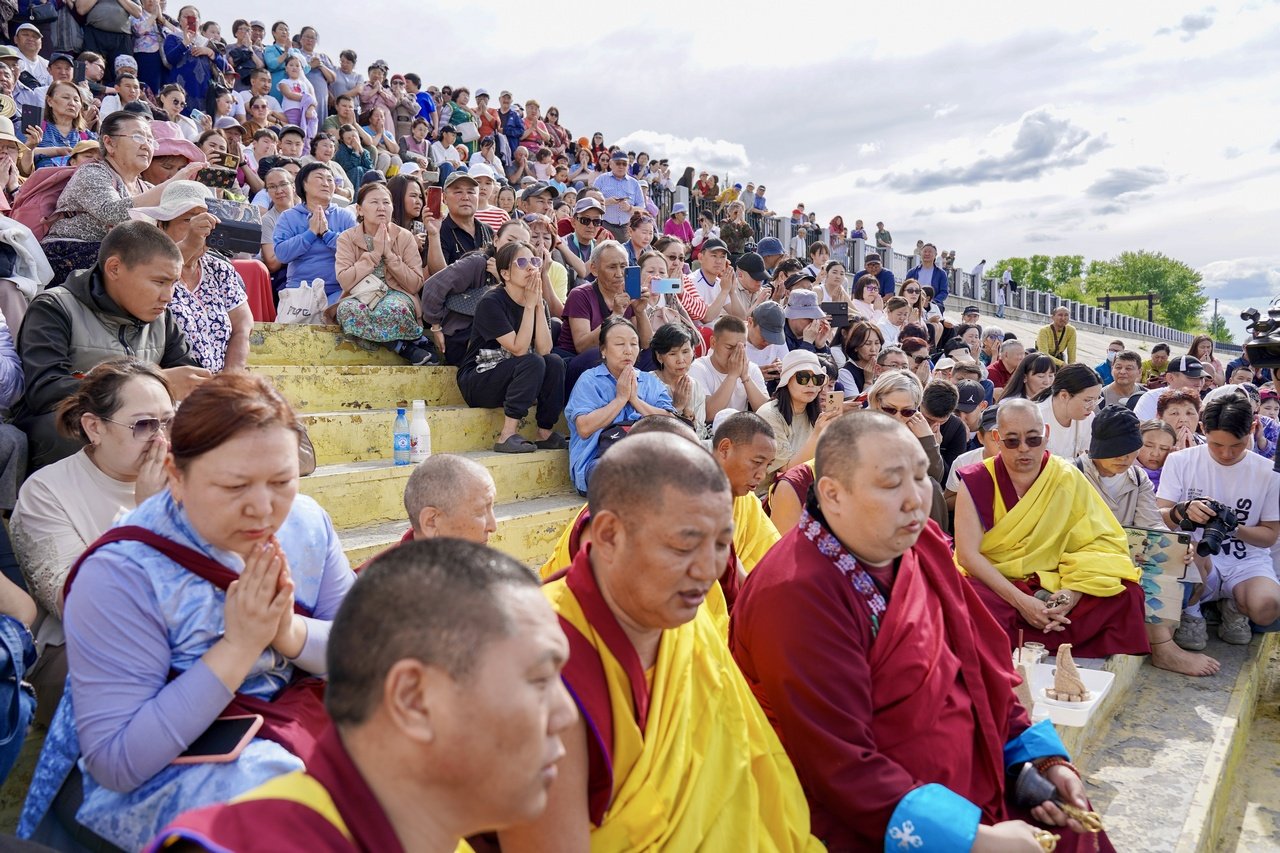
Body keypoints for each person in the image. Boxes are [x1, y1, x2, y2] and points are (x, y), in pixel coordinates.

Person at [732, 411, 1109, 852]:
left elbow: (981, 667)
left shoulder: (920, 542)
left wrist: (1039, 760)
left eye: (920, 477)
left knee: (1074, 830)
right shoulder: (796, 593)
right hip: (875, 808)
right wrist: (976, 840)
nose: (916, 499)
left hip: (976, 765)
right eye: (892, 484)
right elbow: (837, 763)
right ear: (833, 494)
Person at [20, 373, 356, 850]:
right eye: (235, 486)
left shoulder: (307, 522)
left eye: (282, 481)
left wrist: (289, 632)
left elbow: (365, 650)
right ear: (176, 476)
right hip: (172, 770)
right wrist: (238, 648)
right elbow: (117, 762)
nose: (263, 509)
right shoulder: (122, 572)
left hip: (297, 723)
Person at [151, 538, 576, 852]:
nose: (567, 714)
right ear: (414, 699)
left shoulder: (444, 837)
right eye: (540, 681)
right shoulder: (256, 844)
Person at [499, 435, 819, 852]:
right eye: (684, 545)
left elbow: (752, 778)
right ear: (609, 535)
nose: (707, 571)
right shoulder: (540, 664)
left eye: (721, 544)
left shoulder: (688, 623)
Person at [11, 359, 172, 723]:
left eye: (169, 421)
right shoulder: (47, 491)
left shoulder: (186, 475)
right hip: (79, 650)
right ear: (94, 427)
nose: (161, 439)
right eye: (144, 425)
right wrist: (148, 519)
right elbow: (81, 607)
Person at [954, 399, 1150, 658]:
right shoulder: (977, 479)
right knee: (963, 599)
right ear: (997, 438)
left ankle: (1042, 626)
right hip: (999, 583)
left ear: (1046, 434)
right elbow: (968, 556)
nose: (1024, 449)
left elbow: (1099, 542)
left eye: (1033, 439)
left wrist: (1074, 593)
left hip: (1055, 578)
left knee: (1127, 594)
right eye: (1012, 441)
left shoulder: (1066, 476)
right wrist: (1022, 602)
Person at [15, 221, 211, 470]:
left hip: (144, 426)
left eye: (173, 283)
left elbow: (187, 380)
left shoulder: (162, 318)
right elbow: (45, 391)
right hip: (75, 434)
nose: (168, 296)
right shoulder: (55, 307)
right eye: (159, 282)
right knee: (70, 431)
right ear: (114, 268)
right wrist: (152, 384)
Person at [1077, 406, 1221, 676]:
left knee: (1181, 561)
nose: (1124, 457)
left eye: (1130, 450)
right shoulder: (1073, 473)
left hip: (1127, 552)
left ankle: (1165, 638)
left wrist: (1174, 543)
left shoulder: (1137, 476)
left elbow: (1151, 523)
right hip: (1085, 555)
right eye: (1116, 450)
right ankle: (1163, 649)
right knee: (1142, 574)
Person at [1158, 392, 1280, 646]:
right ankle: (1193, 614)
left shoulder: (1269, 472)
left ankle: (1233, 606)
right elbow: (1160, 520)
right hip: (1195, 557)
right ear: (1203, 429)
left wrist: (1233, 527)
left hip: (1246, 561)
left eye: (1236, 445)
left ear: (1252, 429)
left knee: (1267, 609)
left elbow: (1269, 536)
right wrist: (1182, 510)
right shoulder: (1180, 461)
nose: (1226, 454)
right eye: (1216, 445)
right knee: (1192, 551)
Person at [131, 181, 252, 374]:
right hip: (165, 380)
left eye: (207, 219)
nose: (200, 227)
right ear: (161, 227)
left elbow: (243, 326)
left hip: (219, 383)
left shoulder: (219, 268)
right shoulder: (146, 266)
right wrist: (189, 244)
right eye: (187, 220)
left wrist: (230, 376)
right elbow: (160, 271)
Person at [457, 240, 566, 454]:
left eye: (534, 261)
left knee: (555, 362)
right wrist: (530, 306)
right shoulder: (491, 302)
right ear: (505, 274)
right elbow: (519, 349)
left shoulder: (537, 301)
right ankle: (507, 435)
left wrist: (537, 305)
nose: (531, 267)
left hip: (514, 374)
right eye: (522, 263)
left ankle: (544, 432)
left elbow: (545, 350)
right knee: (532, 361)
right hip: (480, 379)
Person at [565, 317, 673, 494]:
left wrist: (635, 400)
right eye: (620, 344)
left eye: (634, 344)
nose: (628, 350)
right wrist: (620, 399)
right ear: (603, 350)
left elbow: (671, 424)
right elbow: (584, 428)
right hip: (598, 461)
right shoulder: (590, 380)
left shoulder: (649, 381)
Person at [334, 181, 432, 364]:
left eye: (386, 202)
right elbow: (345, 281)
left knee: (392, 309)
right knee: (346, 310)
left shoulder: (404, 236)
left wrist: (388, 254)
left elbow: (415, 283)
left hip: (396, 293)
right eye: (374, 202)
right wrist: (374, 255)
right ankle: (404, 346)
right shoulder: (346, 238)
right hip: (362, 295)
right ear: (359, 210)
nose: (381, 207)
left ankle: (406, 343)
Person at [756, 349, 840, 495]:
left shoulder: (816, 414)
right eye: (803, 378)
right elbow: (787, 472)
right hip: (768, 495)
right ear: (787, 380)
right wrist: (817, 434)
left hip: (808, 490)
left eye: (817, 379)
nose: (811, 384)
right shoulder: (769, 414)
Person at [273, 161, 358, 303]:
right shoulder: (289, 216)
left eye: (330, 179)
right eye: (319, 178)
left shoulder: (345, 216)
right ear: (304, 185)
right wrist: (310, 233)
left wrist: (327, 234)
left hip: (339, 289)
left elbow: (356, 250)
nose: (326, 183)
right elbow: (282, 254)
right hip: (301, 288)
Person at [690, 314, 769, 421]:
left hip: (741, 428)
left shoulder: (751, 369)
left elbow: (767, 414)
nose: (735, 353)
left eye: (742, 347)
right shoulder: (698, 368)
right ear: (713, 342)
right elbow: (707, 415)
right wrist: (732, 376)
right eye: (729, 347)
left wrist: (746, 377)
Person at [650, 321, 707, 438]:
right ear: (659, 356)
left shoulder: (695, 386)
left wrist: (689, 419)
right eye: (672, 354)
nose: (681, 360)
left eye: (685, 352)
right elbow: (648, 431)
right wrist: (677, 408)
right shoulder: (648, 384)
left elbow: (700, 434)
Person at [1037, 363, 1102, 461]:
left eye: (1096, 400)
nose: (1092, 407)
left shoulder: (1088, 418)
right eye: (1088, 400)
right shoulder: (1035, 417)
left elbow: (1088, 456)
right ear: (1064, 396)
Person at [1133, 355, 1206, 421]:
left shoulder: (1203, 405)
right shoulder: (1152, 398)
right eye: (1192, 377)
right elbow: (1143, 429)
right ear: (1170, 378)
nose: (1199, 383)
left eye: (1201, 378)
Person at [1136, 419, 1177, 493]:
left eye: (1164, 448)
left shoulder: (1178, 477)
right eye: (1148, 446)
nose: (1155, 454)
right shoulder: (1122, 472)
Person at [905, 243, 949, 310]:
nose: (927, 254)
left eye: (930, 252)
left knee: (937, 308)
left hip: (934, 303)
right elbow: (905, 288)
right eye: (925, 251)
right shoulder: (912, 272)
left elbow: (944, 292)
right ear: (921, 253)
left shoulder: (941, 273)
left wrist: (931, 302)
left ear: (935, 255)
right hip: (915, 302)